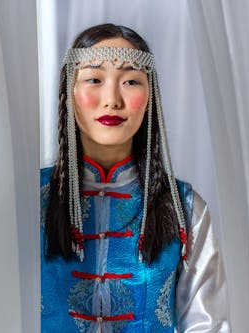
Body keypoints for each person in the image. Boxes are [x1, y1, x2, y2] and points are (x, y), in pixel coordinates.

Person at [40, 23, 230, 333]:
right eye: (94, 79)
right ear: (69, 92)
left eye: (130, 81)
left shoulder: (183, 209)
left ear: (150, 96)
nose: (112, 98)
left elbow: (207, 325)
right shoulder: (31, 200)